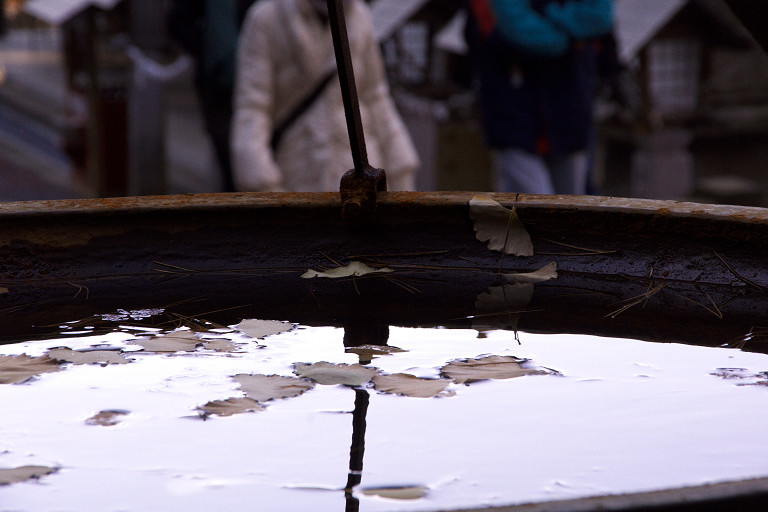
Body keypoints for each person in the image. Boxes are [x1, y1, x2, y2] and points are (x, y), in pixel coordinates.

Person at [231, 0, 418, 192]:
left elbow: (376, 97)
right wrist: (260, 182)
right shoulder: (267, 18)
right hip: (297, 169)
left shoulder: (359, 16)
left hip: (359, 169)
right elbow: (253, 106)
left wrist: (401, 166)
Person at [465, 0, 614, 195]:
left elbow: (600, 17)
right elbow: (516, 26)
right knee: (532, 205)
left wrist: (548, 12)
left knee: (573, 207)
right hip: (514, 110)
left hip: (570, 107)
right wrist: (568, 32)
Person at [167, 0, 258, 192]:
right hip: (220, 87)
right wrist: (209, 51)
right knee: (230, 161)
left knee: (257, 155)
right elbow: (177, 21)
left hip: (259, 82)